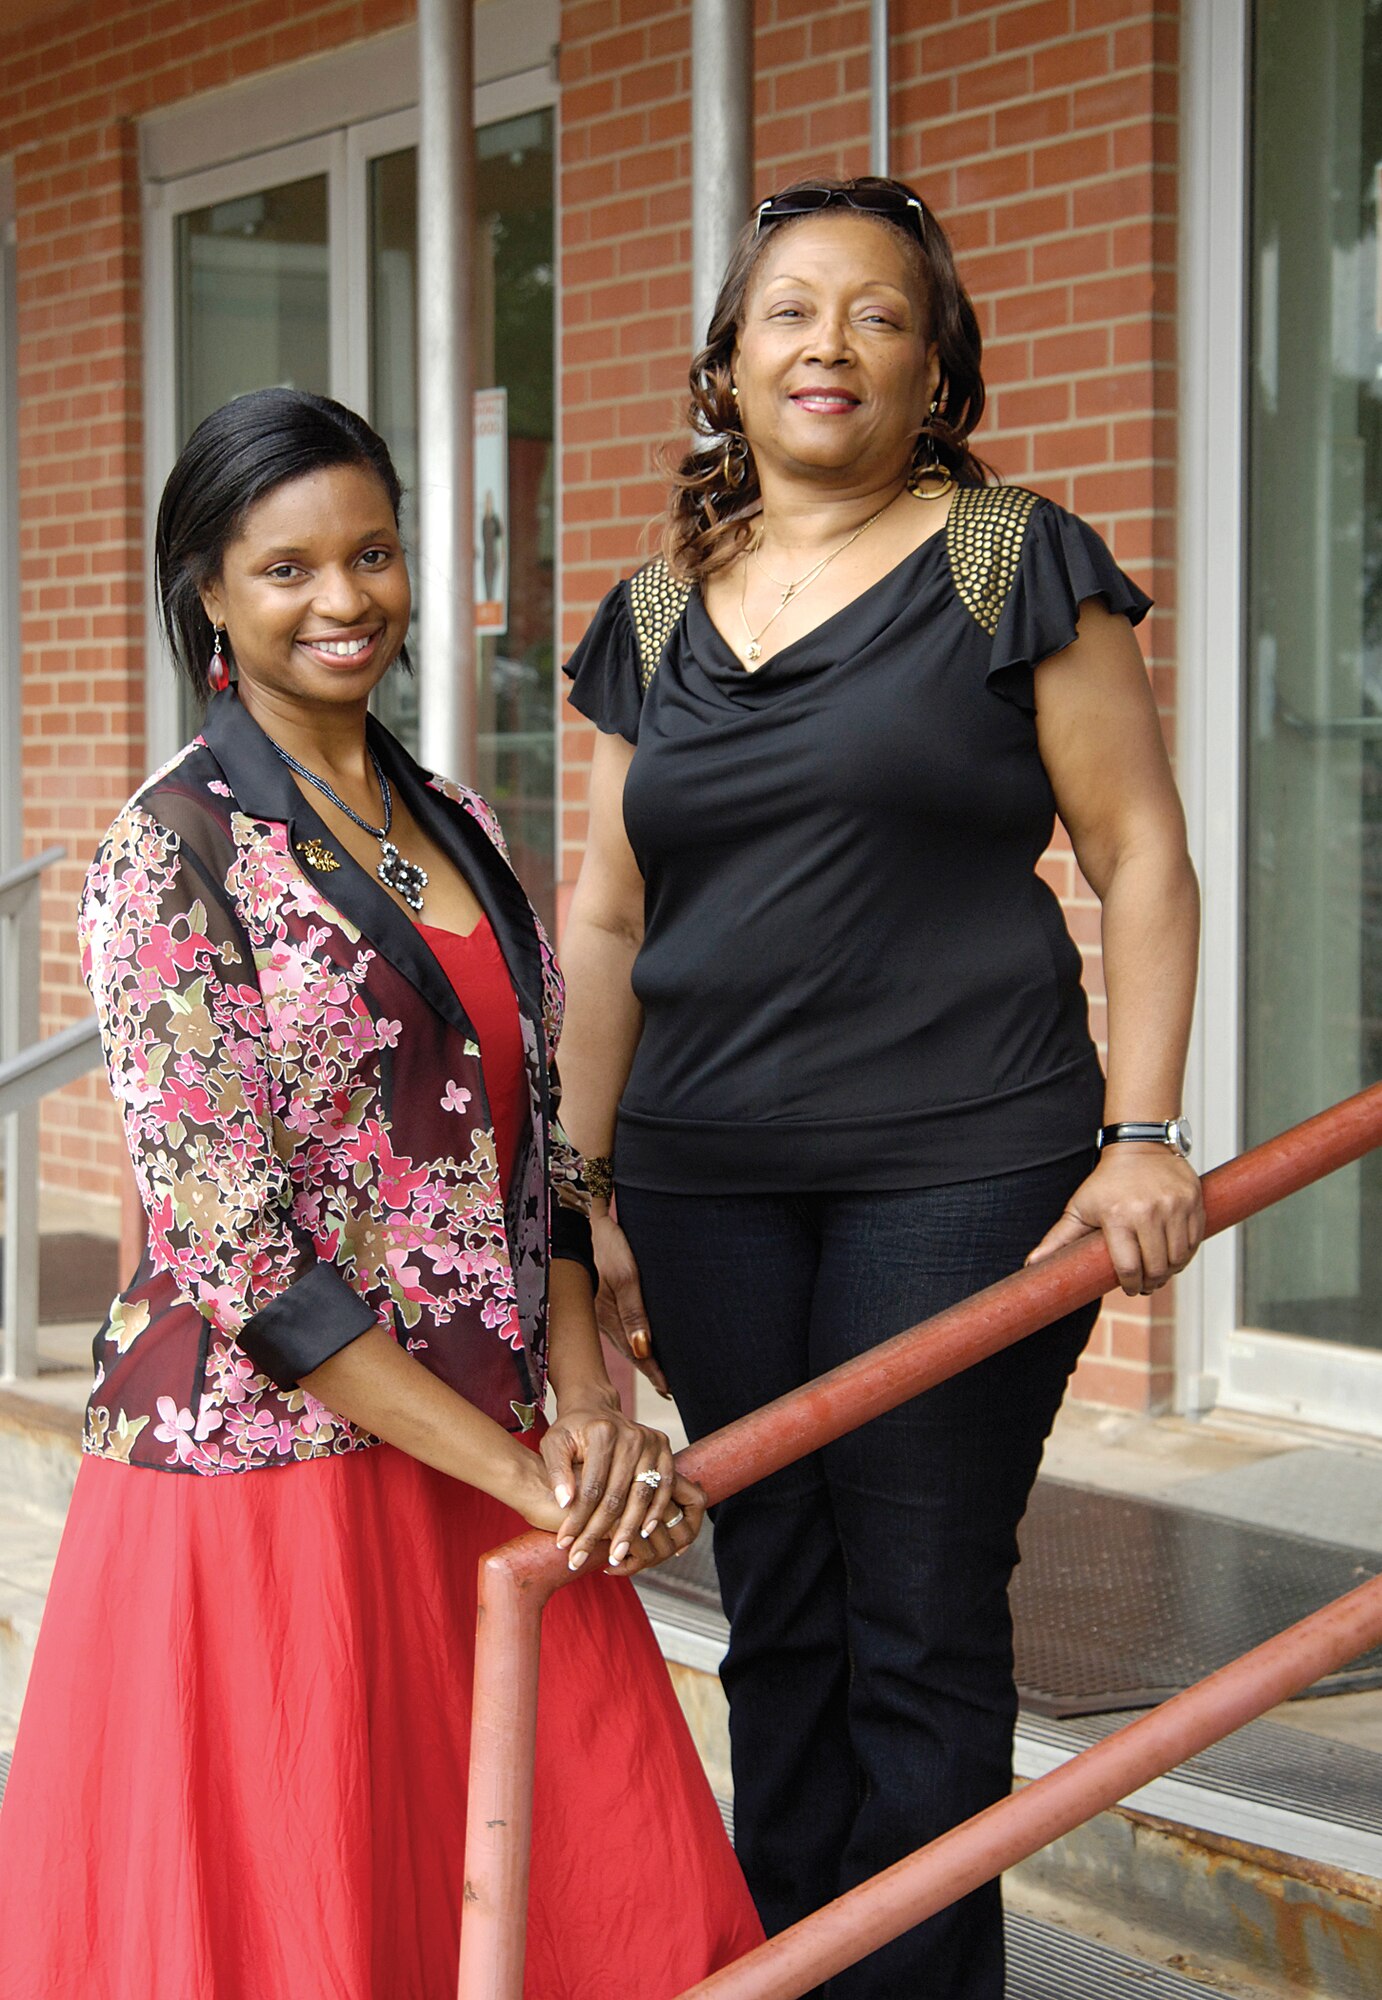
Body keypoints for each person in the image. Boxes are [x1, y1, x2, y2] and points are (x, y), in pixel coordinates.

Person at [0, 388, 762, 2000]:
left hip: (482, 1446)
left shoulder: (463, 827)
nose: (344, 602)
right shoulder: (167, 853)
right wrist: (533, 1474)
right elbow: (236, 1250)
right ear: (207, 590)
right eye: (286, 570)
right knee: (315, 1915)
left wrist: (586, 1408)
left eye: (372, 556)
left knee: (586, 1896)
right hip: (272, 1483)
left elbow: (534, 1154)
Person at [557, 177, 1203, 1999]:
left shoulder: (1013, 557)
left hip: (965, 1163)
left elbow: (1139, 853)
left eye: (876, 315)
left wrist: (1141, 1134)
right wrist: (581, 1195)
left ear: (935, 369)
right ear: (726, 364)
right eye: (787, 311)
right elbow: (605, 919)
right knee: (775, 1609)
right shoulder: (654, 603)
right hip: (701, 1182)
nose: (827, 342)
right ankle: (795, 1975)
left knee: (913, 1616)